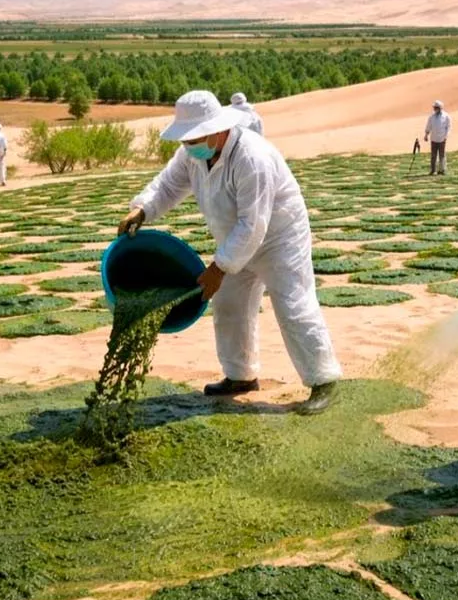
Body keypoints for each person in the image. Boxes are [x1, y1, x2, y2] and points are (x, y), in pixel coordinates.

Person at [118, 90, 341, 414]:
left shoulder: (252, 157)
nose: (189, 144)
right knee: (229, 304)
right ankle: (240, 376)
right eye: (186, 139)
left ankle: (323, 380)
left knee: (293, 304)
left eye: (195, 137)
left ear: (218, 129)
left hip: (279, 239)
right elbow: (167, 186)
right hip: (234, 239)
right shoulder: (192, 154)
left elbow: (254, 224)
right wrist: (142, 209)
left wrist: (219, 267)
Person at [424, 100, 451, 175]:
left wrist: (446, 136)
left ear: (440, 108)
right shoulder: (431, 116)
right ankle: (433, 170)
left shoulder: (446, 116)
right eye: (434, 107)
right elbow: (428, 126)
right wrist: (426, 135)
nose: (434, 109)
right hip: (434, 139)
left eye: (436, 107)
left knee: (442, 155)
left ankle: (442, 170)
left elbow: (448, 127)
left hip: (442, 139)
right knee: (433, 155)